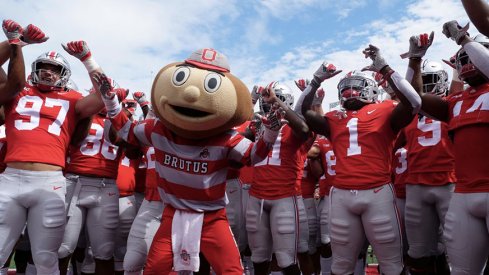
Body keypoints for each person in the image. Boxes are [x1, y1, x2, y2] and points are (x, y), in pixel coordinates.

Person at [94, 48, 281, 274]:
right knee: (154, 270)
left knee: (231, 270)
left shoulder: (226, 139)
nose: (192, 95)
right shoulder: (157, 129)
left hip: (212, 218)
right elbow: (125, 130)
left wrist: (270, 131)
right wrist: (110, 99)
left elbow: (254, 156)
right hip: (172, 212)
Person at [297, 44, 422, 274]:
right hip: (342, 195)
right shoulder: (335, 117)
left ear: (372, 90)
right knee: (341, 264)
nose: (349, 92)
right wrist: (316, 80)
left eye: (357, 87)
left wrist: (384, 67)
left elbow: (414, 101)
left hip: (378, 193)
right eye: (346, 89)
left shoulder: (386, 108)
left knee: (392, 264)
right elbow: (300, 112)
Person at [417, 20, 489, 274]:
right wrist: (413, 62)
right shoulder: (457, 99)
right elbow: (414, 99)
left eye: (473, 56)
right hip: (463, 193)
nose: (468, 62)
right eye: (464, 58)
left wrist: (463, 39)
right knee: (461, 270)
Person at [246, 82, 315, 275]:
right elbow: (237, 132)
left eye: (274, 100)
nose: (268, 105)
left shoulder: (295, 126)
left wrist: (280, 106)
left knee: (287, 259)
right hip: (256, 196)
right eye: (266, 101)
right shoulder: (257, 125)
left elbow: (303, 130)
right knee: (258, 257)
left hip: (284, 197)